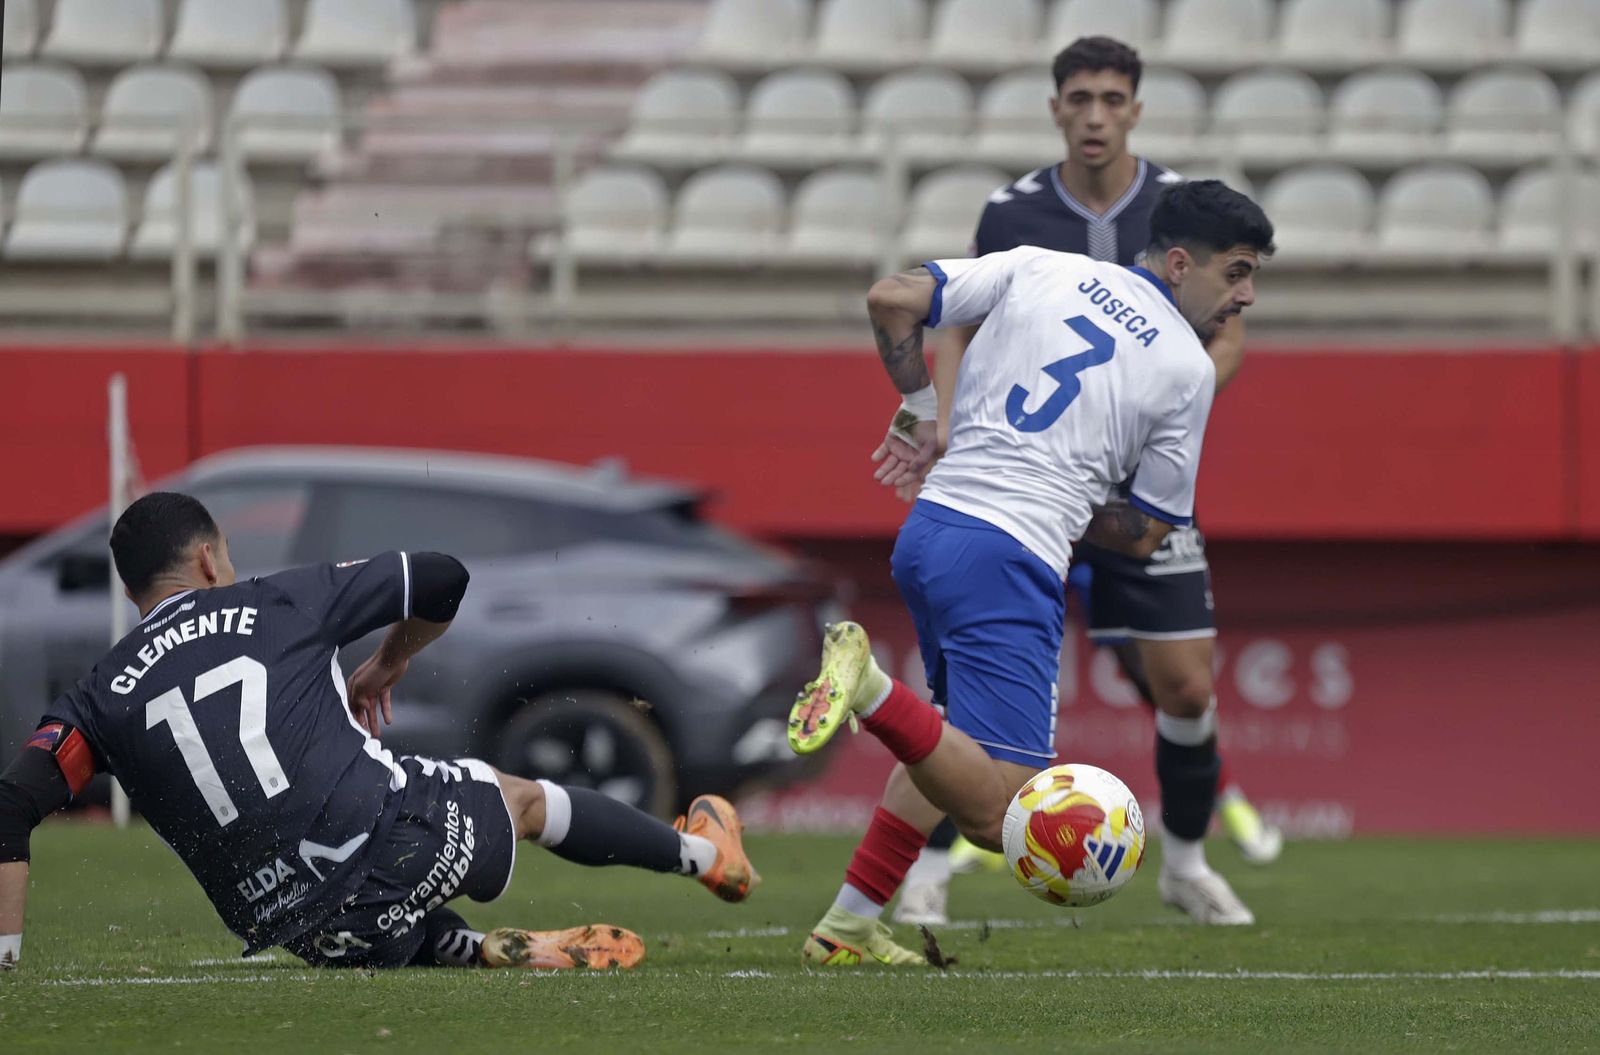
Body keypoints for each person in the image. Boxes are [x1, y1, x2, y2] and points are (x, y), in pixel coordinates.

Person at [789, 178, 1274, 966]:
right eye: (1238, 272)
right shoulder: (1187, 367)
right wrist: (1068, 496)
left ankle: (846, 925)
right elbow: (1148, 532)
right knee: (1001, 811)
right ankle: (870, 685)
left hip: (932, 530)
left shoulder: (1038, 265)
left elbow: (890, 297)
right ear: (1182, 263)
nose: (1246, 296)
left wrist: (918, 405)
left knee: (949, 750)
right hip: (1010, 556)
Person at [0, 492, 758, 972]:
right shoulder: (277, 602)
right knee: (520, 799)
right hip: (394, 843)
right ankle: (704, 855)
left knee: (363, 909)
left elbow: (12, 805)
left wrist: (6, 960)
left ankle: (461, 946)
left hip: (297, 927)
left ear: (132, 591)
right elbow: (441, 576)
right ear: (207, 558)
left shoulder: (100, 695)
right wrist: (387, 662)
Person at [893, 35, 1282, 931]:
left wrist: (1147, 415)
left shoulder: (1185, 209)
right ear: (1057, 108)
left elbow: (1224, 340)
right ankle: (929, 873)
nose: (1097, 114)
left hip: (1131, 484)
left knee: (1186, 685)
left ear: (1136, 109)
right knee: (976, 700)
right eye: (1080, 98)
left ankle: (1185, 864)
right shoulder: (1013, 212)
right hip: (1023, 491)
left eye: (1113, 98)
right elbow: (964, 321)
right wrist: (943, 420)